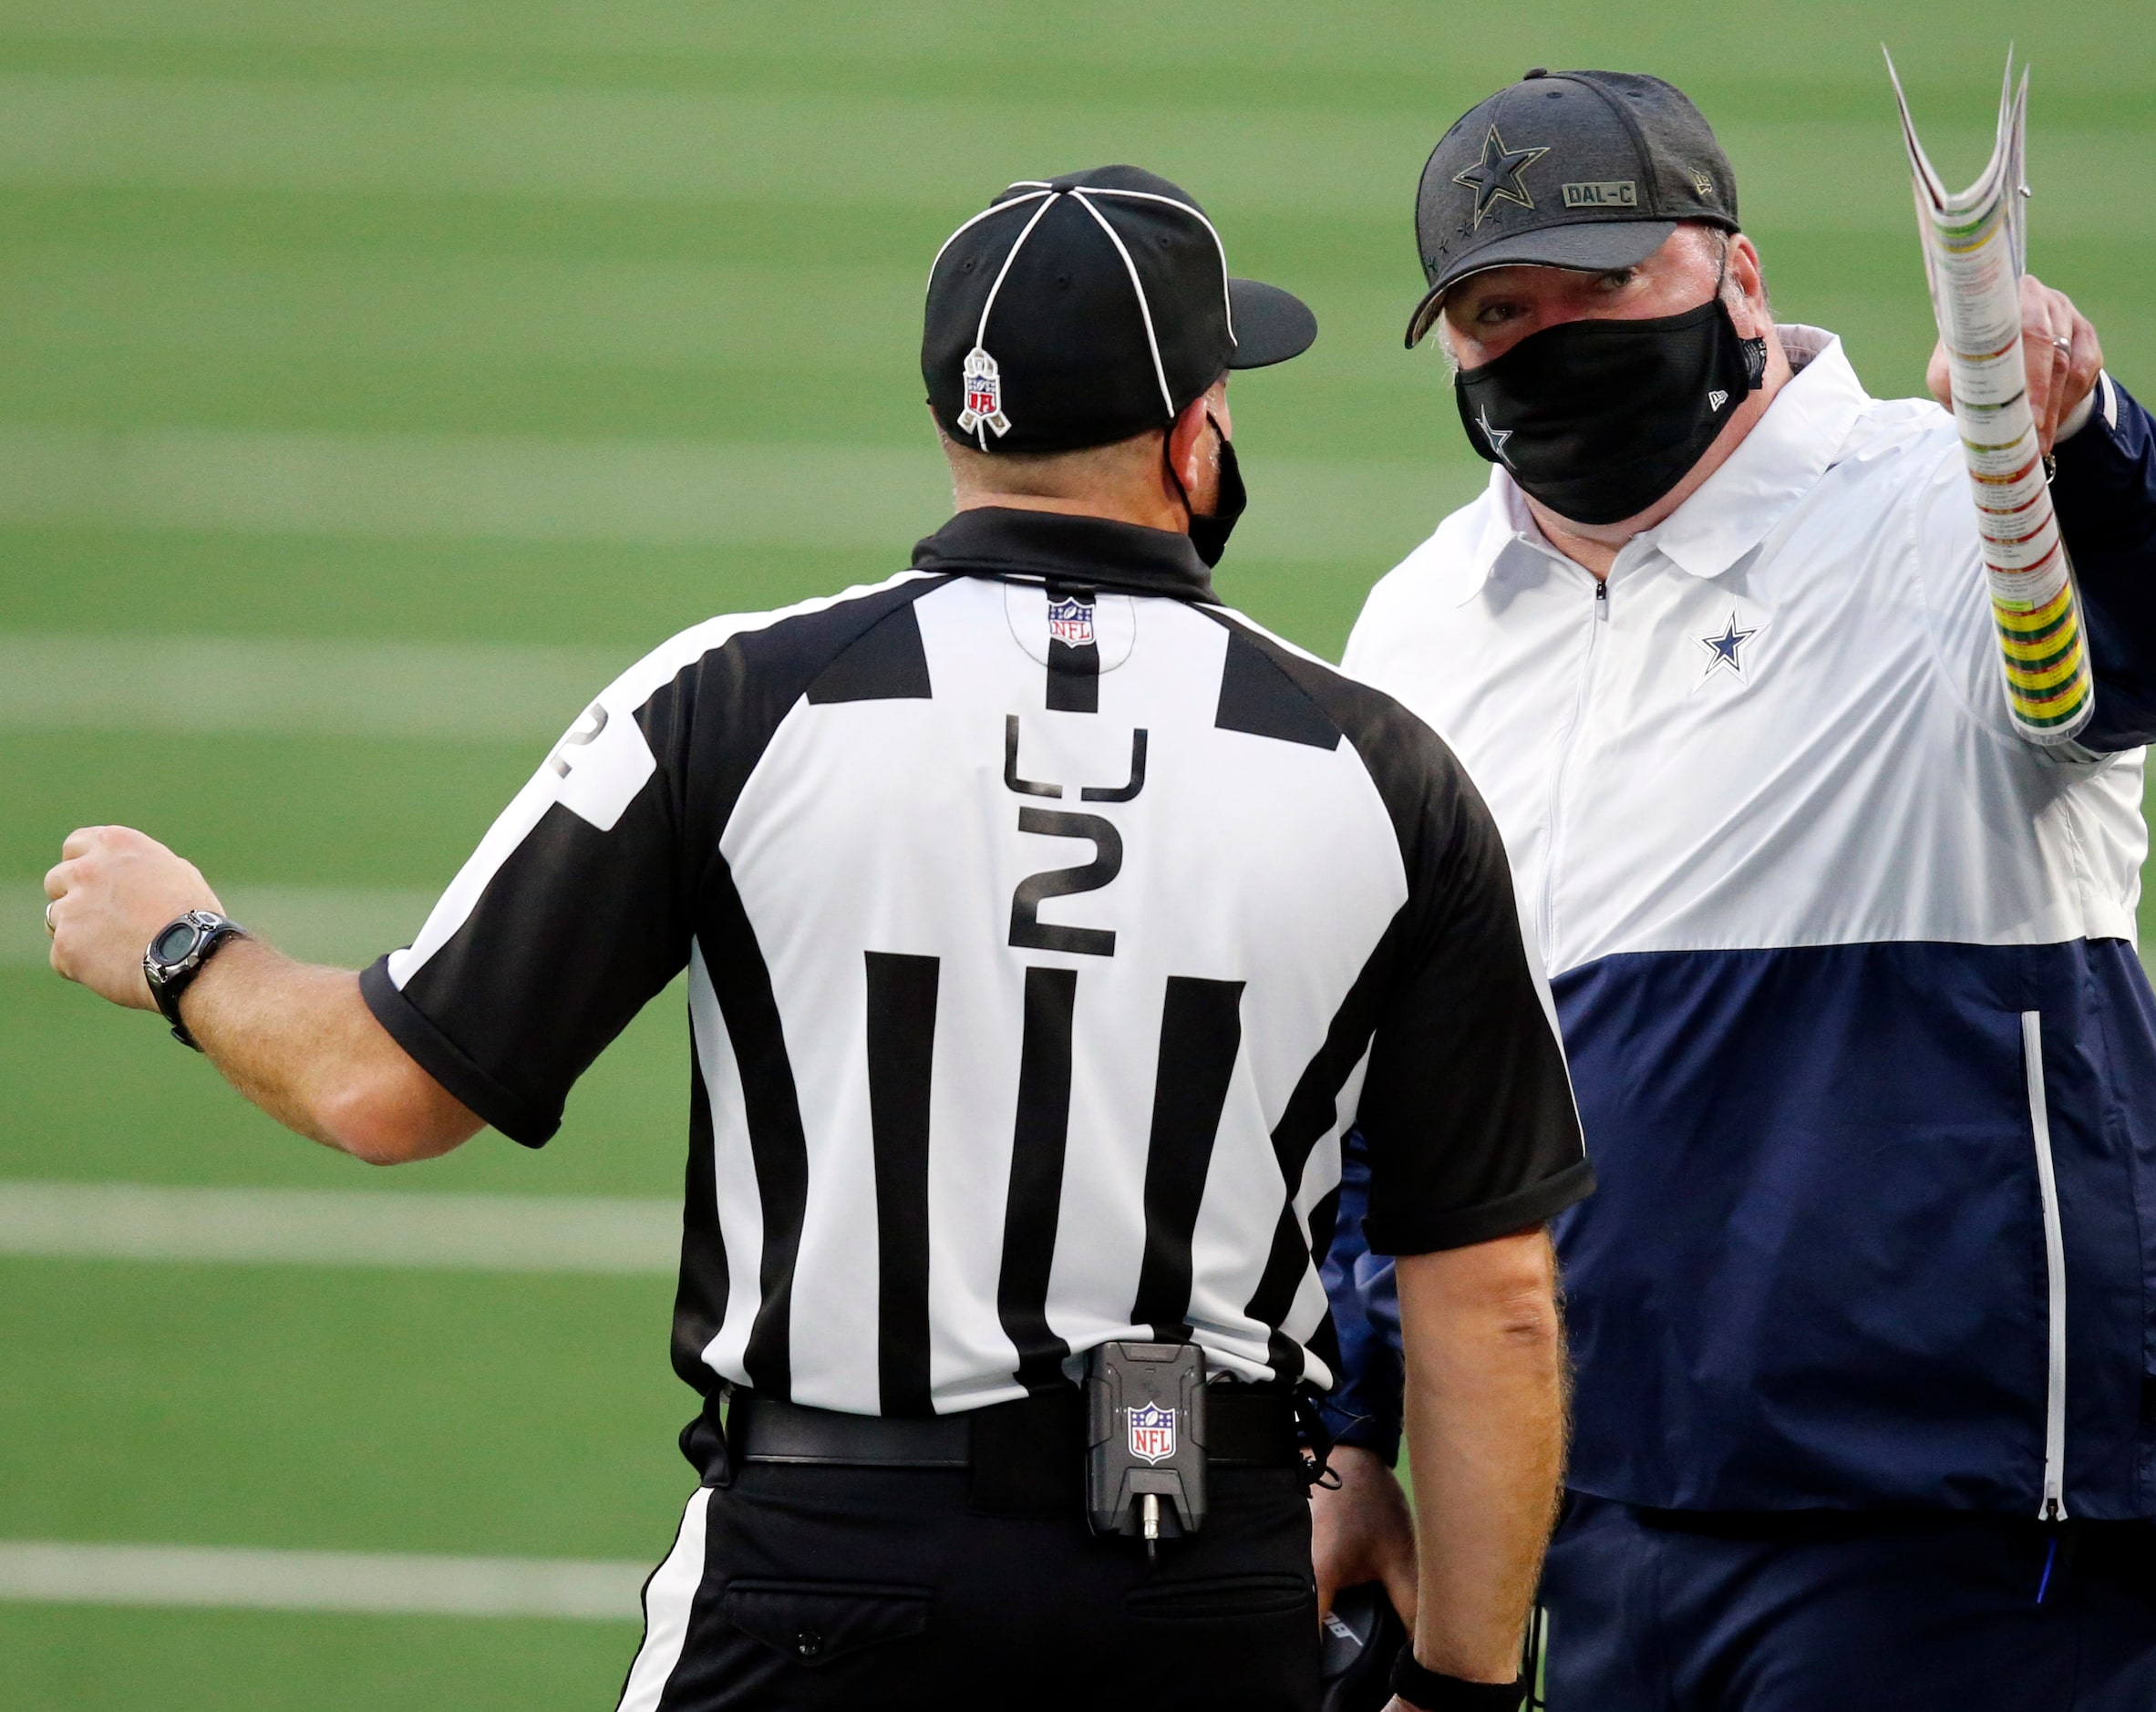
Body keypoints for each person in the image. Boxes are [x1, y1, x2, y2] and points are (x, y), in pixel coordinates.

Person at [44, 164, 1593, 1712]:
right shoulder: (1381, 774)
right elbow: (1495, 1299)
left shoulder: (732, 698)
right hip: (1197, 1573)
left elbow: (385, 1085)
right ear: (1196, 435)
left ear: (957, 430)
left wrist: (184, 950)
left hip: (821, 1568)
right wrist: (1458, 1687)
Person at [1311, 71, 2156, 1712]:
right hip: (1602, 1489)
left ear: (1739, 277)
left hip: (1955, 1494)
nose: (1551, 335)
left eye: (1604, 282)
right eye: (1498, 309)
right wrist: (1346, 1420)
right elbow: (1402, 1091)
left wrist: (2083, 447)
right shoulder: (1422, 628)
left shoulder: (1948, 497)